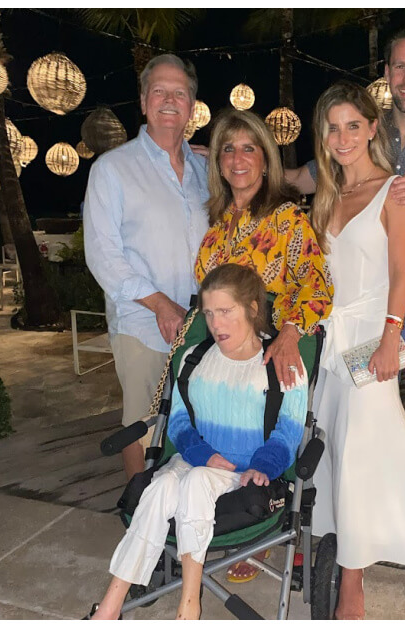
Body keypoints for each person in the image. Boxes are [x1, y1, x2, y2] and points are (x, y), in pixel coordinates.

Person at [306, 81, 405, 620]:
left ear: (373, 129)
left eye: (354, 124)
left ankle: (352, 585)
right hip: (331, 344)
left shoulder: (395, 190)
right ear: (323, 136)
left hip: (372, 343)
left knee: (359, 456)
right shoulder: (326, 196)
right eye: (334, 126)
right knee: (338, 452)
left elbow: (403, 272)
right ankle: (338, 552)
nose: (343, 136)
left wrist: (392, 337)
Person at [85, 263, 307, 620]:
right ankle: (110, 606)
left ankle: (189, 604)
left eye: (225, 311)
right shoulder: (194, 358)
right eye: (208, 313)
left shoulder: (281, 363)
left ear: (252, 308)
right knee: (159, 489)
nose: (215, 324)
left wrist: (261, 467)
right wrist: (202, 454)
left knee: (196, 480)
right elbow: (179, 422)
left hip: (245, 473)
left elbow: (288, 431)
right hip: (195, 461)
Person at [193, 108, 332, 583]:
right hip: (219, 353)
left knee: (259, 425)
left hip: (268, 349)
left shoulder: (287, 218)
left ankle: (256, 523)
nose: (237, 158)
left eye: (248, 147)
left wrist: (291, 332)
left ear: (266, 160)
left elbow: (316, 286)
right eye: (227, 149)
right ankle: (210, 511)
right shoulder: (216, 225)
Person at [84, 54, 210, 483]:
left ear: (192, 106)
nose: (169, 100)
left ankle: (181, 517)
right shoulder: (112, 169)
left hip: (202, 327)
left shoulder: (204, 171)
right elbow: (103, 255)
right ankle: (140, 514)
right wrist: (160, 305)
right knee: (142, 424)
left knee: (194, 424)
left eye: (180, 92)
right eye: (159, 90)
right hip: (144, 323)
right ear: (143, 101)